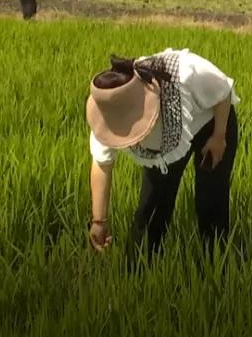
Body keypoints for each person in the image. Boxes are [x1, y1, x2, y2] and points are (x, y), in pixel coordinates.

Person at [86, 48, 241, 264]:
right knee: (151, 205)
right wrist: (99, 221)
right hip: (163, 144)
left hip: (213, 124)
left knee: (211, 199)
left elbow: (223, 90)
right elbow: (102, 164)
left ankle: (215, 267)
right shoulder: (108, 113)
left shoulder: (186, 73)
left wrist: (219, 137)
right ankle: (137, 273)